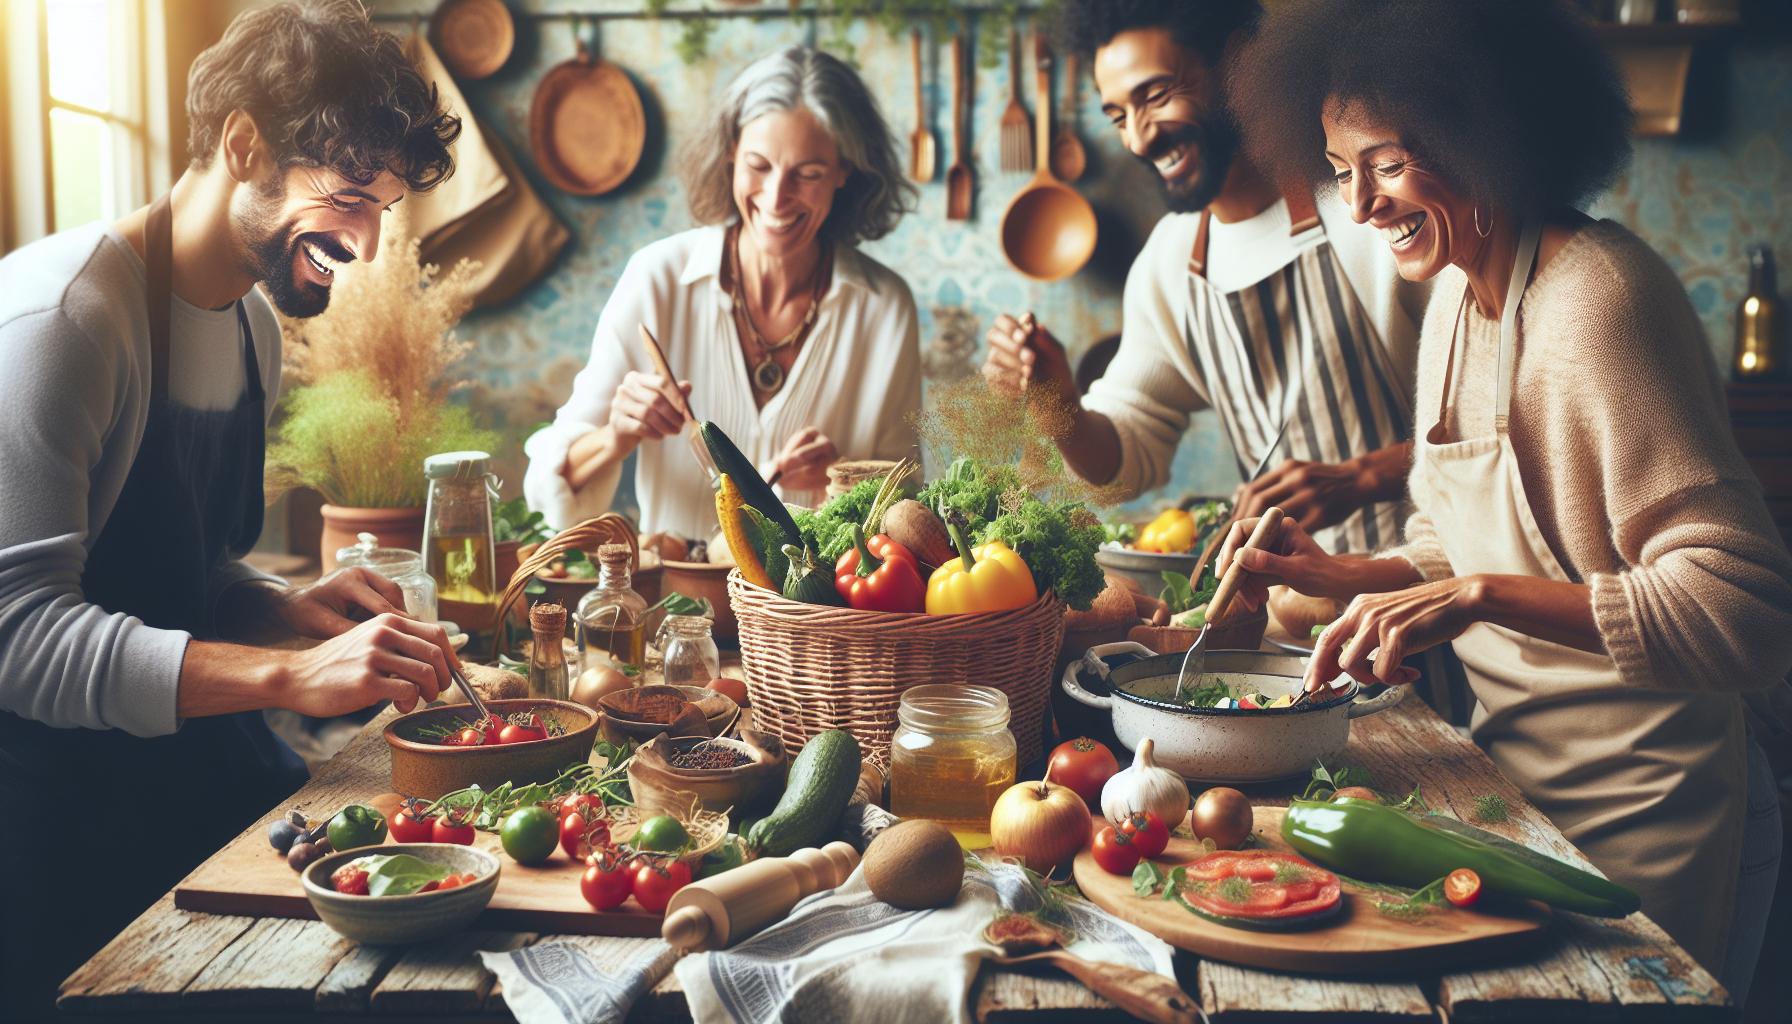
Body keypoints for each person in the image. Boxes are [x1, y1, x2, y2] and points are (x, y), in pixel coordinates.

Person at [1221, 0, 1789, 999]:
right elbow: (1457, 539)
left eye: (1388, 163)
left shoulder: (1601, 301)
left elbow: (1745, 611)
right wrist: (1352, 576)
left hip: (1650, 811)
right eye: (1340, 169)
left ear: (1485, 130)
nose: (1361, 205)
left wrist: (1476, 598)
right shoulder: (1453, 294)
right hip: (1509, 787)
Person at [0, 2, 463, 1017]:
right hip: (55, 840)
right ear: (243, 144)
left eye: (383, 207)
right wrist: (290, 673)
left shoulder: (253, 326)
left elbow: (183, 572)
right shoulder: (63, 320)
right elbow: (18, 635)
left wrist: (279, 605)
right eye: (349, 197)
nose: (366, 241)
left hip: (192, 787)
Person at [981, 0, 1429, 556]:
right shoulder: (1169, 265)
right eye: (1119, 116)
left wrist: (1361, 476)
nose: (1138, 139)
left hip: (1434, 583)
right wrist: (1060, 406)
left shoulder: (1368, 209)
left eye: (1156, 95)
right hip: (1288, 600)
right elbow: (1125, 461)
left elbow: (1495, 422)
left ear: (1238, 64)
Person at [525, 47, 921, 539]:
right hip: (673, 587)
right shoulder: (656, 278)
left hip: (815, 592)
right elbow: (543, 492)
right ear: (731, 151)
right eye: (759, 165)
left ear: (845, 171)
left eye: (808, 174)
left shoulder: (885, 309)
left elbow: (909, 509)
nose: (776, 198)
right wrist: (616, 437)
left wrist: (839, 481)